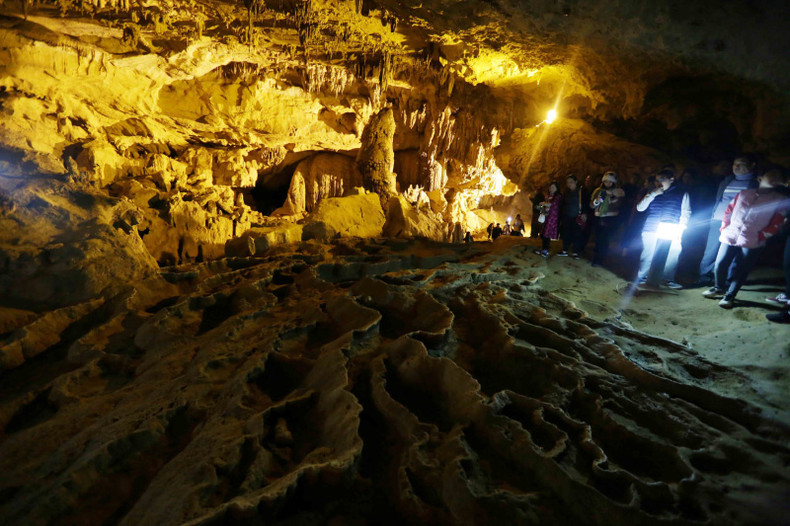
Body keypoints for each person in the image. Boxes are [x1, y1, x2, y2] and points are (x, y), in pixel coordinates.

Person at [701, 169, 789, 308]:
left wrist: (762, 235)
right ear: (760, 178)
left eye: (777, 176)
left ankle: (730, 295)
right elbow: (729, 210)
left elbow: (776, 222)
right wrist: (725, 227)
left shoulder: (778, 200)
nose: (774, 177)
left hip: (753, 239)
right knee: (720, 264)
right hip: (730, 234)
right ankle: (719, 287)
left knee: (742, 269)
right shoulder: (744, 193)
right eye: (770, 174)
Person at [697, 155, 759, 285]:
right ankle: (705, 277)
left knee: (732, 252)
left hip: (737, 223)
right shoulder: (727, 180)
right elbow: (718, 199)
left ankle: (726, 280)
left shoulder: (755, 183)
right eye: (734, 164)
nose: (736, 167)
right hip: (718, 218)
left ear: (752, 165)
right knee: (711, 250)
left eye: (741, 163)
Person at [634, 168, 691, 288]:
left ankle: (667, 279)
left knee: (672, 254)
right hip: (651, 227)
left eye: (662, 179)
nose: (658, 182)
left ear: (671, 179)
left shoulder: (681, 193)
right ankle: (643, 277)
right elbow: (640, 208)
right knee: (648, 254)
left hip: (672, 229)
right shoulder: (652, 192)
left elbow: (686, 212)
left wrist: (681, 229)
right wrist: (653, 194)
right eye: (656, 180)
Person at [589, 171, 625, 266]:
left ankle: (600, 259)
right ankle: (595, 258)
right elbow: (592, 205)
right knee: (597, 239)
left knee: (604, 240)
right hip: (598, 217)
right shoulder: (598, 191)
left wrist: (611, 197)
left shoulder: (618, 192)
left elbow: (619, 204)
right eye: (606, 181)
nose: (607, 183)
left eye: (610, 182)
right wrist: (597, 201)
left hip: (610, 219)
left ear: (614, 182)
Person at [558, 174, 589, 258]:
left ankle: (575, 251)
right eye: (567, 182)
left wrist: (585, 213)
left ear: (576, 182)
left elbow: (586, 202)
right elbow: (563, 204)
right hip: (567, 216)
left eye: (571, 182)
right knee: (566, 233)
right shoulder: (566, 192)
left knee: (577, 234)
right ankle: (565, 250)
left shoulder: (581, 191)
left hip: (577, 216)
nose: (569, 184)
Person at [534, 181, 562, 257]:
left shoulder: (558, 196)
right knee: (543, 233)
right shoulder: (548, 196)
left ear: (557, 188)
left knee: (547, 233)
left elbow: (553, 204)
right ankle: (543, 248)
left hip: (552, 218)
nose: (551, 189)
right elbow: (545, 205)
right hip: (545, 216)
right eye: (550, 187)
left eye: (553, 187)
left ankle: (545, 250)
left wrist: (543, 203)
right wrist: (540, 207)